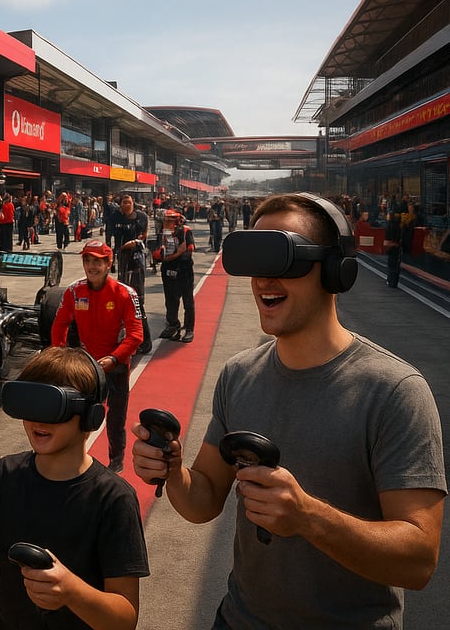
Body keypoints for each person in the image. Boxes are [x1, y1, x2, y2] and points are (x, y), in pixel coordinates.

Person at [132, 193, 445, 629]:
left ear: (336, 270)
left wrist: (308, 518)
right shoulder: (238, 375)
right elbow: (203, 500)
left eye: (286, 260)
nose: (265, 280)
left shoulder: (395, 392)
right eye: (256, 260)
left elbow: (418, 561)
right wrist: (173, 470)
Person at [0, 347, 149, 629]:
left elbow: (124, 620)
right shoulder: (6, 474)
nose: (37, 419)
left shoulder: (113, 498)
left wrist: (71, 591)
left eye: (50, 406)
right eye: (29, 403)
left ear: (90, 416)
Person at [50, 240, 145, 473]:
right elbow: (59, 324)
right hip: (86, 365)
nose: (91, 266)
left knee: (115, 419)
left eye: (97, 261)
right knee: (78, 415)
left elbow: (136, 335)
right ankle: (76, 457)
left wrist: (114, 359)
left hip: (117, 365)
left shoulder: (125, 293)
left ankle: (116, 461)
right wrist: (59, 354)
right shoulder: (74, 290)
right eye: (87, 261)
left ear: (108, 263)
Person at [110, 194, 153, 354]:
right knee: (121, 300)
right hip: (122, 260)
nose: (126, 204)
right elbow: (111, 236)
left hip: (136, 261)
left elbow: (142, 237)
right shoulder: (115, 217)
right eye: (123, 202)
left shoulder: (141, 217)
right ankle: (125, 338)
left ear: (133, 203)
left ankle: (145, 341)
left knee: (137, 302)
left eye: (129, 201)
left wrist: (133, 243)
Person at [156, 209, 196, 342]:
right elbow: (157, 249)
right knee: (170, 300)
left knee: (188, 300)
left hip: (183, 270)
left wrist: (176, 255)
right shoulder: (162, 232)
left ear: (177, 221)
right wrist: (159, 255)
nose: (167, 223)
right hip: (167, 269)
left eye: (170, 220)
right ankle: (173, 324)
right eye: (166, 220)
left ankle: (189, 329)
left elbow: (189, 249)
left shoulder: (185, 231)